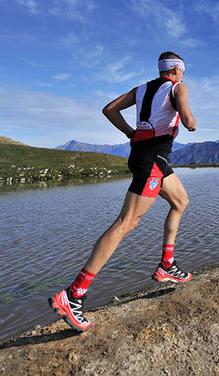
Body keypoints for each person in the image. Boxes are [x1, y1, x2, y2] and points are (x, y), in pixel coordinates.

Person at [48, 51, 198, 332]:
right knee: (125, 223)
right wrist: (189, 120)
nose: (184, 74)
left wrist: (131, 133)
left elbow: (109, 109)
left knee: (180, 201)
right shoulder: (179, 87)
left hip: (147, 156)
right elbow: (188, 119)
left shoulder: (141, 89)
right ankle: (74, 294)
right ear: (177, 68)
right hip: (152, 161)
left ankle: (167, 264)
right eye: (183, 70)